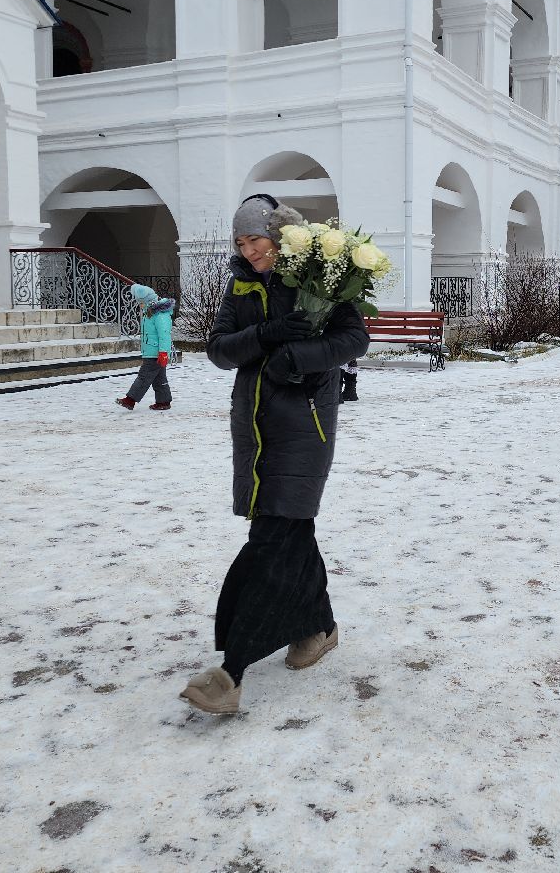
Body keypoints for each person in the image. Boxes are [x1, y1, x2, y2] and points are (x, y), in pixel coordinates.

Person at [179, 195, 369, 715]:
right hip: (254, 425)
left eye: (255, 240)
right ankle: (320, 627)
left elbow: (355, 338)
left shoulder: (317, 278)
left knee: (269, 538)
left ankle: (231, 670)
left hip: (305, 424)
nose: (248, 250)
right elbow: (218, 350)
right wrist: (265, 335)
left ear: (279, 236)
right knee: (292, 529)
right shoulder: (239, 282)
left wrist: (296, 356)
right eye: (240, 243)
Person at [115, 283, 176, 411]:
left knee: (143, 377)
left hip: (156, 352)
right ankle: (163, 402)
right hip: (153, 351)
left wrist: (163, 352)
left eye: (141, 303)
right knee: (159, 378)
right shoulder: (150, 312)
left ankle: (130, 400)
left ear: (148, 301)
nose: (140, 305)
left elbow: (164, 334)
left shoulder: (159, 315)